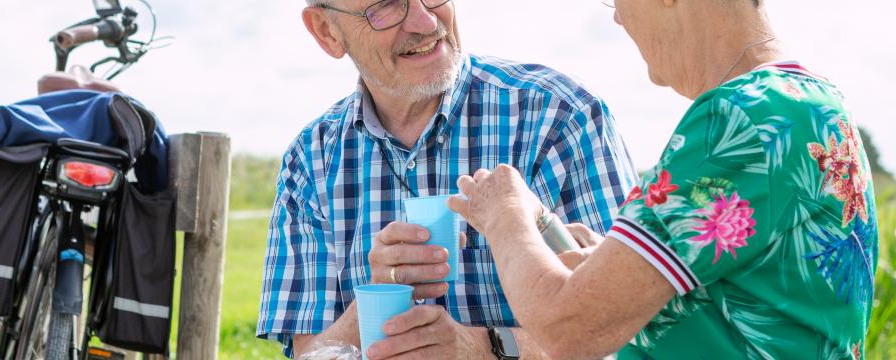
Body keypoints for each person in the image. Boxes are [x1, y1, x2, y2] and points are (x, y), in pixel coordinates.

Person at [446, 0, 878, 358]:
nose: (616, 16)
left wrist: (504, 214)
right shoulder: (810, 103)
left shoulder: (740, 120)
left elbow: (568, 330)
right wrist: (608, 265)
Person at [256, 0, 639, 358]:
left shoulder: (559, 118)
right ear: (327, 31)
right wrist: (375, 301)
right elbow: (312, 352)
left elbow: (632, 329)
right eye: (386, 4)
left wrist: (482, 347)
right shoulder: (311, 158)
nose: (425, 22)